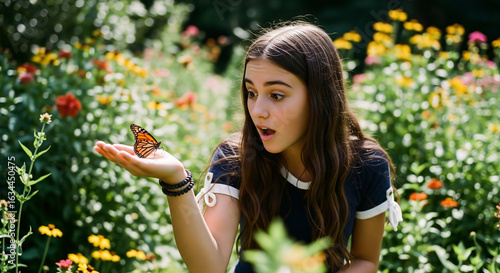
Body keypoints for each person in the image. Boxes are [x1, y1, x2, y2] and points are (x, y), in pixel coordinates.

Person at [94, 21, 402, 273]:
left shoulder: (367, 164)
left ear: (320, 97)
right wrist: (176, 180)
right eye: (251, 92)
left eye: (277, 95)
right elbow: (209, 267)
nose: (258, 111)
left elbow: (365, 260)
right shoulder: (235, 158)